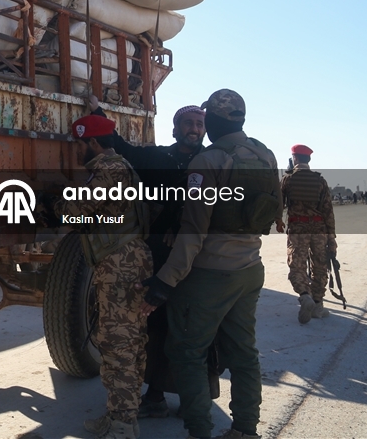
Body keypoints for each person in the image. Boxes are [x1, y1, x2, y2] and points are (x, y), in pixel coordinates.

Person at [139, 89, 280, 439]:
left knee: (186, 352)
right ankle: (245, 430)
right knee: (244, 353)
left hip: (209, 275)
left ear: (213, 121)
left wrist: (164, 282)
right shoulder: (265, 154)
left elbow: (193, 231)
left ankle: (200, 431)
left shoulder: (209, 161)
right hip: (250, 269)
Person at [89, 95, 207, 418]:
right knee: (156, 327)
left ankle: (194, 400)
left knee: (195, 331)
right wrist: (97, 112)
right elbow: (122, 148)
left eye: (199, 124)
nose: (194, 129)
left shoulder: (210, 162)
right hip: (158, 259)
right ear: (176, 128)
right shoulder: (159, 158)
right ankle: (154, 395)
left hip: (197, 260)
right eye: (188, 123)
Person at [54, 114, 153, 439]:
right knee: (127, 343)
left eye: (79, 145)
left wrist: (55, 203)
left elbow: (78, 212)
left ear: (93, 143)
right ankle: (119, 415)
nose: (77, 151)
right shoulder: (118, 167)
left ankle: (124, 424)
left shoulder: (110, 170)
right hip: (123, 262)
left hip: (120, 266)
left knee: (119, 345)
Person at [281, 145, 337, 323]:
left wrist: (277, 220)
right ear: (308, 160)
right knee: (320, 266)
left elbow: (278, 203)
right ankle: (318, 305)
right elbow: (328, 211)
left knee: (297, 266)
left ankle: (305, 296)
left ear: (295, 158)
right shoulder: (320, 181)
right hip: (319, 230)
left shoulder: (288, 179)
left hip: (298, 229)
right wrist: (332, 238)